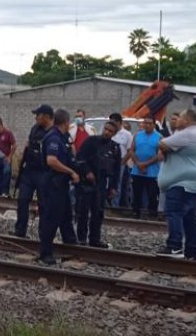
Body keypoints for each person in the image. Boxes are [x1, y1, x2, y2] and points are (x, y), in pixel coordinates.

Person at [156, 109, 196, 259]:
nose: (176, 120)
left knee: (174, 212)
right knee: (188, 217)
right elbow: (164, 149)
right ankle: (191, 250)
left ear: (186, 120)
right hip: (191, 182)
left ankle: (174, 246)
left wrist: (164, 149)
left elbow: (162, 144)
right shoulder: (193, 134)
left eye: (179, 117)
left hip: (182, 182)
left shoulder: (188, 134)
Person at [38, 109, 80, 265]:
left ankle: (71, 245)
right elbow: (52, 161)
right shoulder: (54, 137)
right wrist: (71, 172)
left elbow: (70, 154)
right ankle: (45, 253)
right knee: (51, 218)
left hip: (61, 184)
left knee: (66, 216)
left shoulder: (63, 137)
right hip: (52, 184)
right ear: (66, 122)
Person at [75, 120, 120, 248]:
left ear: (114, 134)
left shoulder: (115, 148)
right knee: (83, 211)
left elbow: (116, 170)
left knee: (98, 212)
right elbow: (80, 158)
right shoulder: (91, 141)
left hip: (101, 183)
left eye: (110, 131)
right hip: (87, 182)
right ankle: (81, 238)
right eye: (106, 129)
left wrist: (113, 187)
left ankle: (95, 239)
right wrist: (87, 171)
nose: (107, 132)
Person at [12, 105, 53, 237]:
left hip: (44, 173)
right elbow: (28, 146)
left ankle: (44, 233)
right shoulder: (35, 129)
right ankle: (20, 230)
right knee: (22, 200)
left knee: (44, 205)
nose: (36, 118)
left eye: (38, 115)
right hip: (29, 171)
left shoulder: (53, 133)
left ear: (46, 116)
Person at [129, 117, 161, 219]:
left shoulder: (159, 137)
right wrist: (138, 163)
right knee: (136, 193)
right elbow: (132, 150)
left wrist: (145, 164)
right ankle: (135, 212)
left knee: (152, 194)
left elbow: (159, 155)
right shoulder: (137, 135)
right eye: (145, 123)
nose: (147, 125)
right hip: (137, 170)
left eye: (149, 123)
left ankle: (152, 213)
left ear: (153, 125)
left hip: (152, 172)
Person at [110, 113, 132, 207]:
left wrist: (122, 162)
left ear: (119, 123)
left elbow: (130, 151)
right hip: (108, 161)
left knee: (117, 184)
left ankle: (115, 205)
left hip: (120, 162)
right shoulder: (109, 132)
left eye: (114, 122)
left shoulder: (127, 134)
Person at [0, 117, 16, 197]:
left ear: (0, 124)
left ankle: (5, 191)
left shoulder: (8, 133)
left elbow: (14, 145)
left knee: (6, 173)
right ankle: (0, 191)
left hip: (5, 158)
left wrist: (10, 156)